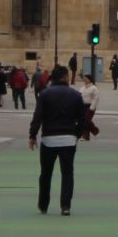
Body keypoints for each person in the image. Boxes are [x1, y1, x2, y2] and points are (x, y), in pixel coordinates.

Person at [29, 64, 87, 214]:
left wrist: (32, 135)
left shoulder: (45, 94)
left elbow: (38, 117)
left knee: (45, 174)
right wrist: (76, 134)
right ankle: (65, 206)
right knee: (67, 174)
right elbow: (82, 120)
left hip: (49, 139)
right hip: (68, 139)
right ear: (66, 77)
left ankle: (43, 205)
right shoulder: (75, 95)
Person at [78, 70, 101, 139]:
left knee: (87, 120)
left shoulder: (94, 88)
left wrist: (92, 108)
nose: (84, 80)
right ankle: (85, 136)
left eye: (86, 79)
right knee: (83, 122)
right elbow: (79, 97)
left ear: (89, 80)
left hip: (90, 106)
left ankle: (95, 131)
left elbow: (95, 99)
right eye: (84, 79)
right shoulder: (82, 88)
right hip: (82, 106)